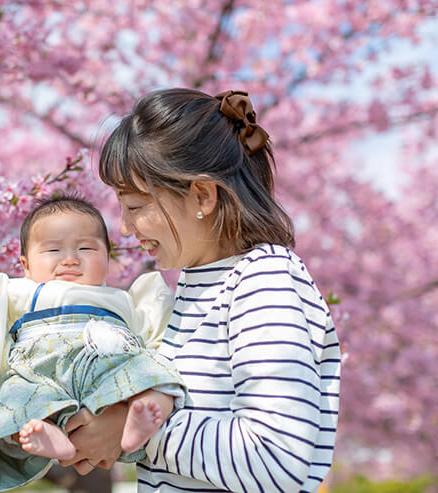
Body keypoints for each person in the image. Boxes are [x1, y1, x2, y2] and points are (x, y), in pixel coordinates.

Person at [58, 89, 341, 493]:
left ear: (203, 196)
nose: (123, 227)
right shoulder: (199, 283)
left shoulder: (264, 279)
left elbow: (277, 458)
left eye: (136, 206)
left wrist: (139, 432)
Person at [0, 195, 189, 491]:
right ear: (26, 265)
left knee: (155, 372)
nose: (70, 258)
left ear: (107, 256)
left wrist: (146, 380)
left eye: (86, 248)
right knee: (15, 396)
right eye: (53, 250)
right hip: (42, 368)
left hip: (107, 367)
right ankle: (49, 432)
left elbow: (151, 334)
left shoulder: (122, 298)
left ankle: (142, 413)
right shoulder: (26, 290)